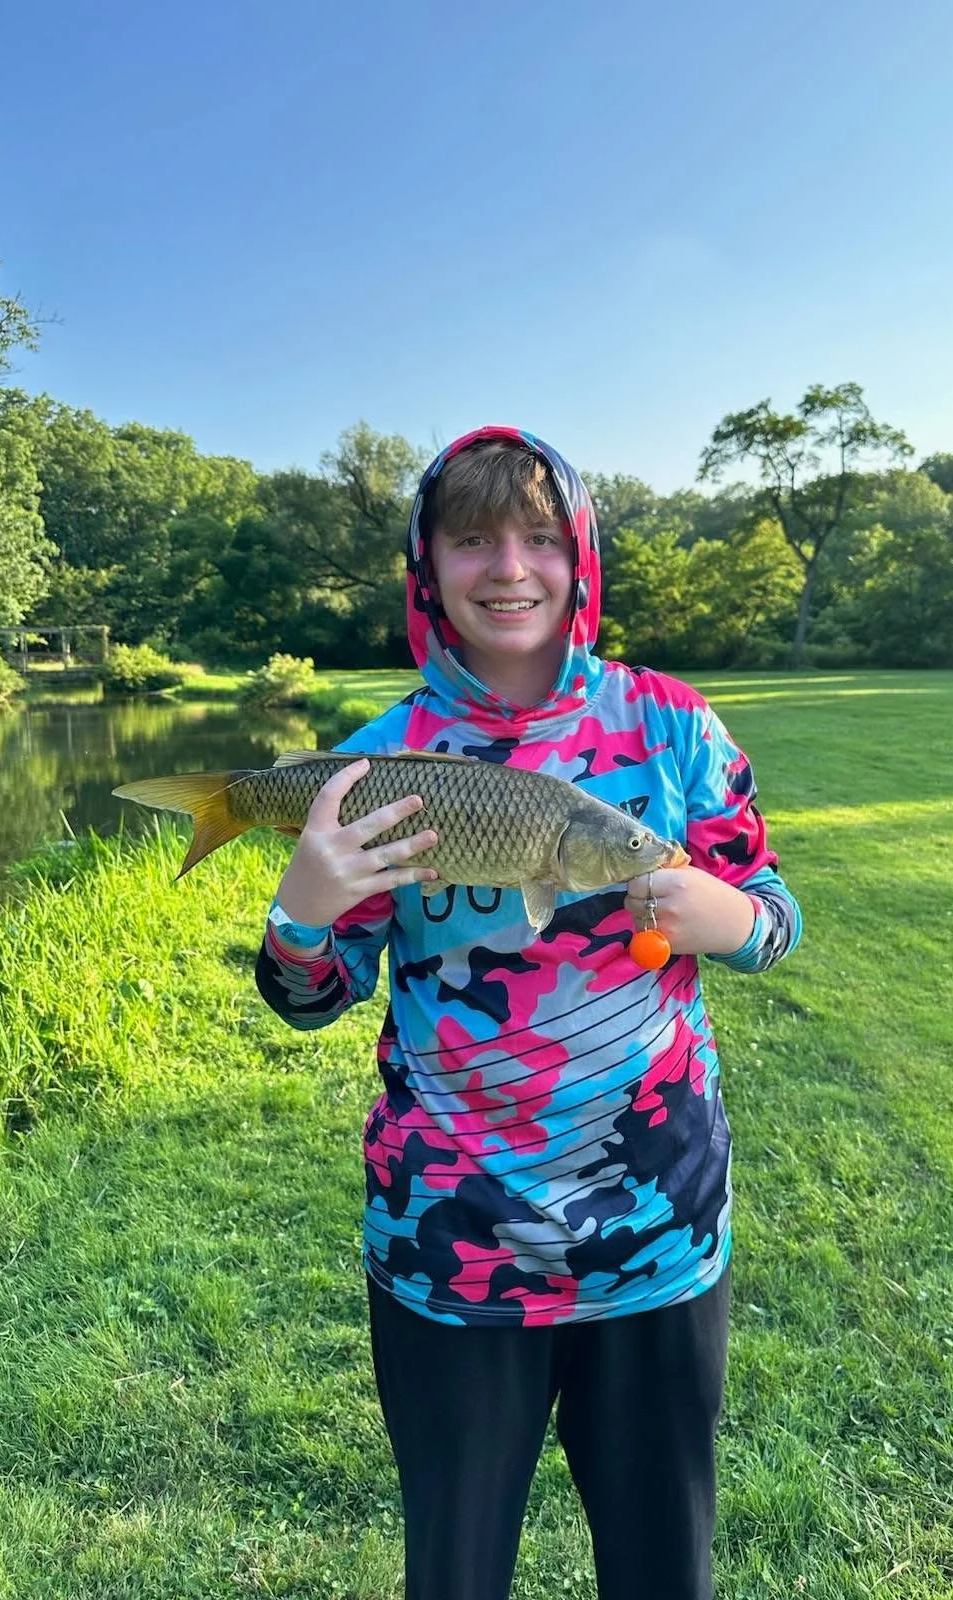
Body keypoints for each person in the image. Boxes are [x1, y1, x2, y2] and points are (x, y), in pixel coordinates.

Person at [255, 425, 802, 1600]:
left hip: (655, 1229)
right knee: (454, 1573)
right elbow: (316, 994)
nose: (510, 567)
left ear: (581, 557)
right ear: (428, 567)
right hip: (449, 1241)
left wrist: (736, 919)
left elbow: (774, 909)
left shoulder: (672, 727)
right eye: (472, 540)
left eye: (540, 539)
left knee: (664, 1568)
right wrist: (300, 917)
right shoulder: (375, 759)